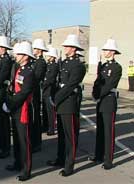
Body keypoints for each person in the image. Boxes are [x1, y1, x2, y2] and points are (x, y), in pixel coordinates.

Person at [48, 34, 86, 176]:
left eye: (67, 46)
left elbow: (70, 86)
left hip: (69, 103)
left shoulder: (78, 65)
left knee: (70, 136)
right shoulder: (64, 63)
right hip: (62, 103)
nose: (64, 47)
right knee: (62, 135)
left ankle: (69, 165)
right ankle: (60, 159)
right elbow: (58, 82)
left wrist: (55, 98)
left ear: (74, 49)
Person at [3, 41, 35, 181]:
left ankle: (26, 169)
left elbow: (23, 93)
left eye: (19, 54)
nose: (16, 55)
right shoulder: (19, 69)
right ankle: (17, 163)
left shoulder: (29, 72)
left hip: (23, 109)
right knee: (16, 138)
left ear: (26, 56)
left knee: (24, 141)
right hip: (16, 108)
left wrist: (10, 104)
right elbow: (13, 88)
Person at [90, 38, 122, 170]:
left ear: (112, 51)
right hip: (100, 101)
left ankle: (108, 160)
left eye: (106, 50)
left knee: (108, 132)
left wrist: (98, 95)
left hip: (108, 101)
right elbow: (98, 82)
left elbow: (109, 85)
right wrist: (94, 92)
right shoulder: (103, 66)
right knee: (100, 130)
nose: (104, 52)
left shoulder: (116, 67)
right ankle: (98, 155)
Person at [31, 38, 48, 153]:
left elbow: (36, 77)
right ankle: (33, 141)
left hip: (35, 92)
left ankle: (37, 143)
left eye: (36, 48)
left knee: (36, 118)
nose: (34, 50)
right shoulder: (35, 61)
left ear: (40, 50)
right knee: (32, 118)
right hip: (32, 91)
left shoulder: (41, 62)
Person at [42, 47, 59, 135]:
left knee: (50, 111)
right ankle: (46, 126)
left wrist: (43, 84)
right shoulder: (48, 65)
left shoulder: (54, 66)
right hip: (45, 91)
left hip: (50, 90)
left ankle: (52, 128)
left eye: (49, 55)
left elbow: (50, 79)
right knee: (45, 110)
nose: (47, 56)